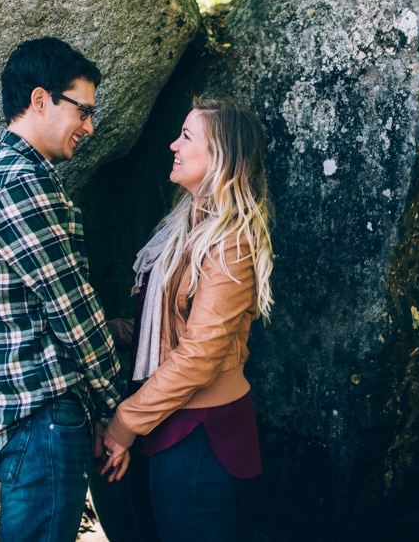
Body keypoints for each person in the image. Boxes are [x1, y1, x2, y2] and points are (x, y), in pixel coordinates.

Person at [0, 36, 129, 542]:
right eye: (83, 110)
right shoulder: (18, 183)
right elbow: (71, 310)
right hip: (42, 419)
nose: (90, 127)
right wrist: (115, 410)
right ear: (40, 100)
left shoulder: (10, 177)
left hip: (35, 419)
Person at [102, 96, 274, 541]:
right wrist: (100, 332)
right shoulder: (182, 228)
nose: (172, 145)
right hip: (159, 419)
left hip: (199, 432)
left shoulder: (232, 242)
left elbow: (199, 355)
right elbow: (157, 330)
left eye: (186, 136)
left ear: (219, 156)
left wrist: (125, 423)